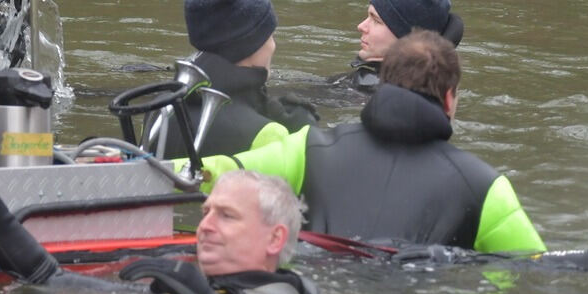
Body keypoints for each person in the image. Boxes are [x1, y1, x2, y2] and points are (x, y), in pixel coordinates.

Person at [190, 30, 545, 254]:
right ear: (450, 99)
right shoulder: (485, 186)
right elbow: (532, 276)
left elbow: (208, 173)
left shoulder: (310, 147)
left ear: (382, 84)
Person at [0, 157, 316, 294]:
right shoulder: (172, 281)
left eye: (227, 216)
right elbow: (48, 278)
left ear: (275, 238)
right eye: (206, 211)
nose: (205, 225)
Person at [154, 0, 318, 161]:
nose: (273, 44)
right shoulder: (269, 134)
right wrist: (306, 137)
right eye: (270, 36)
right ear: (252, 46)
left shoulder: (159, 108)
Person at [331, 0, 464, 94]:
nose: (361, 26)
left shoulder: (369, 90)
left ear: (406, 39)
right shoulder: (428, 90)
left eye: (376, 20)